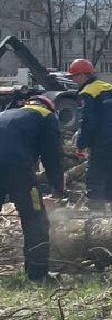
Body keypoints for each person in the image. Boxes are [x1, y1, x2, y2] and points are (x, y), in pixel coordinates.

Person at [0, 95, 67, 283]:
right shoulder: (47, 117)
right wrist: (58, 188)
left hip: (11, 163)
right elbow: (52, 157)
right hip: (17, 169)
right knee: (35, 219)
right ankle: (38, 275)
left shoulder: (7, 113)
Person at [70, 57, 112, 214]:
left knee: (94, 175)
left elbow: (88, 122)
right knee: (111, 173)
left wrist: (81, 143)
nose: (74, 80)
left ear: (81, 75)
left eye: (74, 77)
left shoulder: (87, 92)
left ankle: (95, 213)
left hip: (104, 139)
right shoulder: (108, 87)